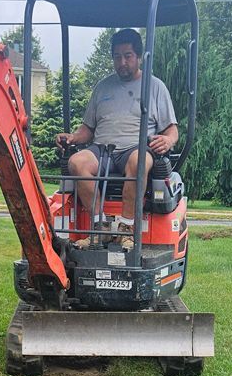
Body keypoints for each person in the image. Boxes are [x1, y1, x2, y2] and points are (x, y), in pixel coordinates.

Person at [55, 29, 178, 252]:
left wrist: (167, 141)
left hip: (137, 147)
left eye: (128, 55)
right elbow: (87, 129)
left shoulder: (155, 86)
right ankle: (100, 228)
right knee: (76, 162)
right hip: (102, 150)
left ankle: (126, 229)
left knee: (138, 161)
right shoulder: (102, 87)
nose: (122, 62)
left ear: (139, 57)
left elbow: (172, 129)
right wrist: (73, 137)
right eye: (117, 56)